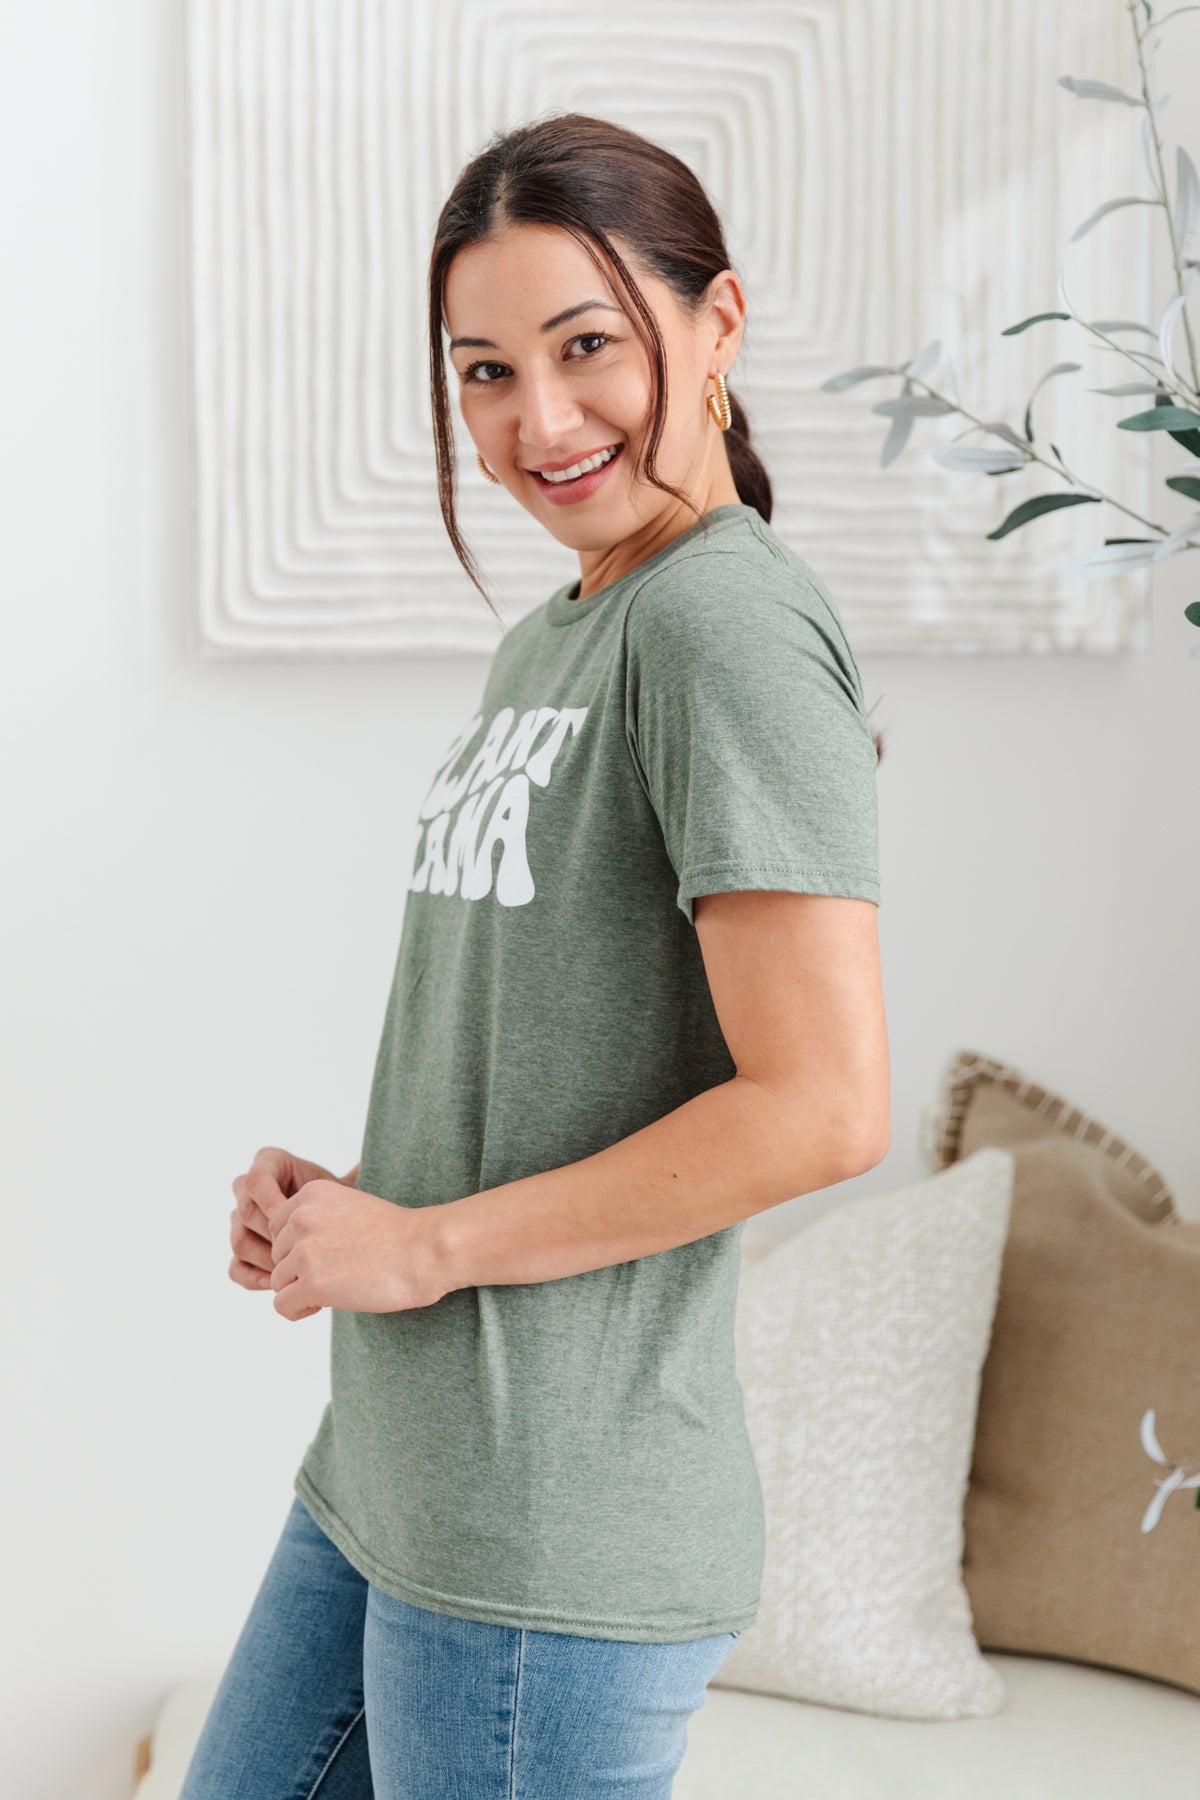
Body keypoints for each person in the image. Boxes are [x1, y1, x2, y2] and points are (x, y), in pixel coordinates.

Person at [182, 111, 890, 1800]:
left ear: (718, 324)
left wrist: (426, 1246)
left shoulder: (724, 624)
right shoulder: (559, 634)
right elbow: (566, 1056)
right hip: (398, 1468)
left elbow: (823, 1107)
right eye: (486, 372)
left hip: (547, 1535)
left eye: (588, 347)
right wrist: (366, 1200)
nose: (539, 422)